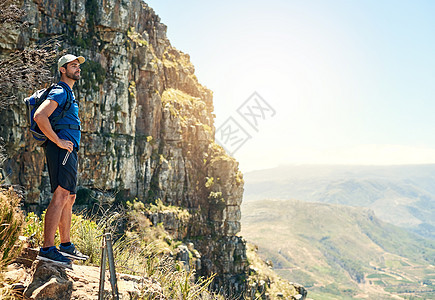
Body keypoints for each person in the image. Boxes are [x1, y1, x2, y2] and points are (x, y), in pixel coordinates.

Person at [34, 54, 89, 266]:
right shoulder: (59, 90)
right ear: (63, 70)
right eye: (73, 66)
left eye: (78, 66)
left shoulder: (68, 93)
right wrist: (57, 141)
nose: (77, 68)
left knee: (70, 196)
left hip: (69, 150)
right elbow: (40, 116)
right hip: (61, 150)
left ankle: (65, 246)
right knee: (61, 194)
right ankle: (47, 248)